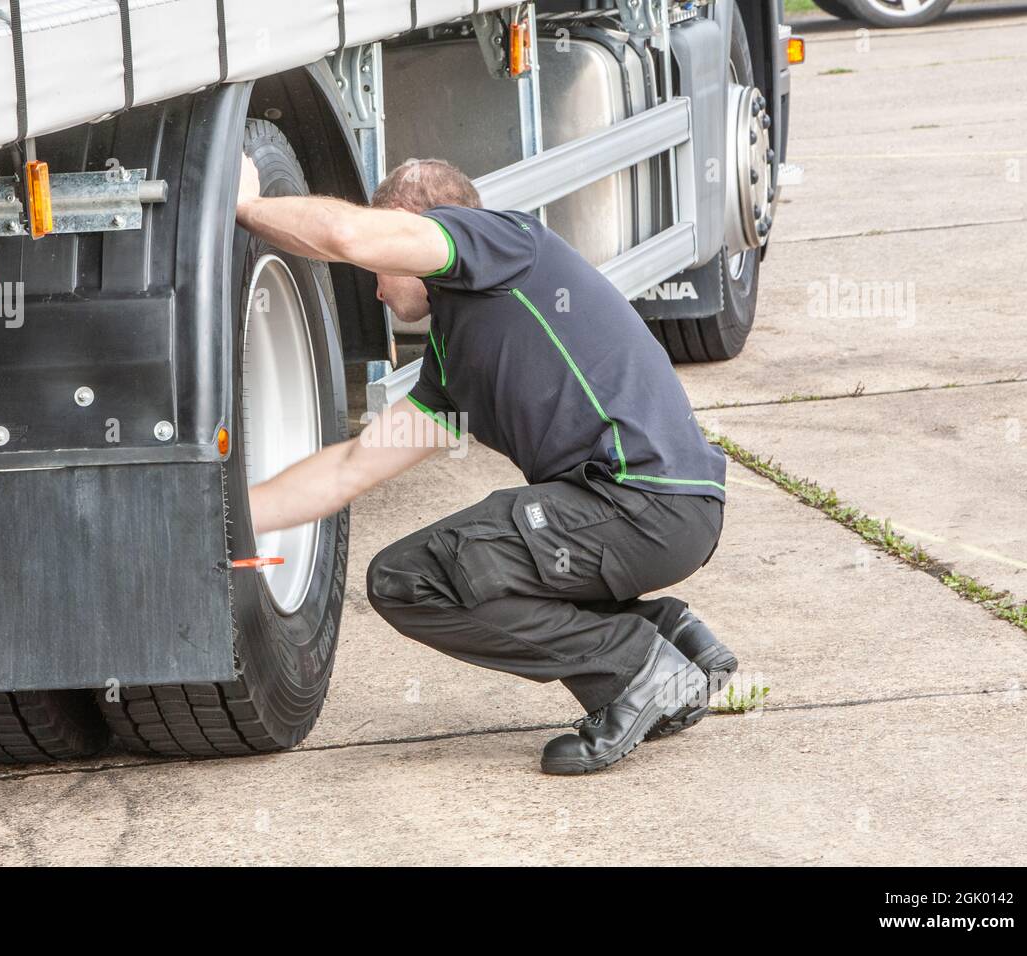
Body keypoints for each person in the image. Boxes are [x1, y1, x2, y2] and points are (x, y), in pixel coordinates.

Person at [238, 154, 736, 775]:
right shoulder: (449, 363)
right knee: (410, 576)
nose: (375, 285)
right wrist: (228, 517)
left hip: (641, 502)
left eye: (378, 268)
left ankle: (636, 667)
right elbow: (347, 470)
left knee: (421, 576)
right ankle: (671, 637)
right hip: (658, 514)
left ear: (411, 228)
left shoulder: (503, 244)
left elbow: (345, 234)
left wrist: (246, 207)